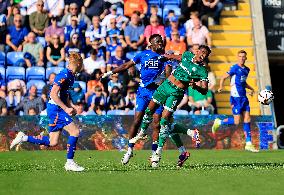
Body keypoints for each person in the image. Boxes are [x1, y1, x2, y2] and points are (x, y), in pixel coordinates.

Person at [102, 34, 199, 166]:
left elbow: (168, 74)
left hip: (158, 93)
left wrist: (167, 74)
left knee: (157, 123)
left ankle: (155, 154)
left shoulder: (165, 57)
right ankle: (129, 150)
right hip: (143, 92)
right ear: (151, 44)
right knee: (137, 120)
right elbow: (126, 65)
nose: (160, 44)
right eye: (158, 42)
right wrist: (110, 72)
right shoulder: (143, 55)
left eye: (162, 42)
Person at [134, 45, 211, 167]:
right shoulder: (187, 55)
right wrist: (167, 56)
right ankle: (184, 148)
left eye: (205, 55)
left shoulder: (202, 70)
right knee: (165, 122)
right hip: (165, 87)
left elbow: (205, 90)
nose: (203, 55)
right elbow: (175, 57)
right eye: (202, 52)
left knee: (164, 121)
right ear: (197, 51)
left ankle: (157, 154)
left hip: (176, 93)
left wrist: (195, 86)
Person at [10, 52, 85, 172]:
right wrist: (66, 109)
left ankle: (23, 137)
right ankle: (69, 163)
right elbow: (53, 94)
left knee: (52, 142)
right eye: (81, 63)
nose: (82, 66)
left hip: (58, 108)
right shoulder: (64, 74)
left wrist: (72, 106)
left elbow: (64, 95)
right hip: (56, 109)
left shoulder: (72, 76)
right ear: (76, 63)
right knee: (75, 131)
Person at [212, 50, 258, 152]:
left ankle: (249, 144)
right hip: (236, 97)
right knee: (237, 121)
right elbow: (223, 77)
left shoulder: (247, 69)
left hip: (243, 97)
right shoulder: (234, 68)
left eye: (243, 56)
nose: (242, 58)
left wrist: (251, 89)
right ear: (237, 57)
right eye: (240, 56)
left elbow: (243, 82)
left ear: (246, 58)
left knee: (247, 119)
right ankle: (219, 122)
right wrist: (221, 86)